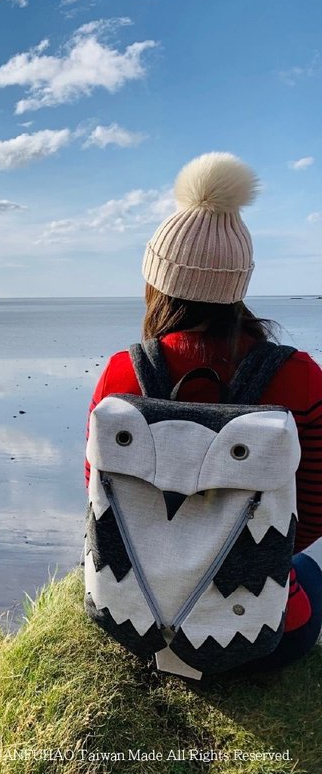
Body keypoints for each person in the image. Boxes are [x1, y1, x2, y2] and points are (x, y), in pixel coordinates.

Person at [85, 152, 322, 673]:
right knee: (307, 568)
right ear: (240, 284)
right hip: (259, 632)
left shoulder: (123, 374)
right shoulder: (300, 376)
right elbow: (314, 510)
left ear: (157, 280)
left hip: (134, 622)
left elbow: (99, 502)